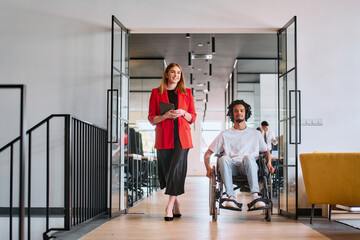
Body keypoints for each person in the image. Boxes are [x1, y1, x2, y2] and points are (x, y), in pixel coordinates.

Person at [204, 100, 275, 210]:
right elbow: (208, 153)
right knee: (223, 158)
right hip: (232, 168)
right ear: (232, 114)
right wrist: (208, 168)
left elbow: (267, 152)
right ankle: (230, 196)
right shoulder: (225, 134)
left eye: (241, 110)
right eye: (236, 111)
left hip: (250, 166)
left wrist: (269, 163)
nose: (239, 113)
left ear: (246, 113)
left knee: (249, 157)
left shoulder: (256, 134)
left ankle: (255, 196)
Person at [148, 63, 196, 221]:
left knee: (176, 169)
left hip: (182, 139)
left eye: (179, 73)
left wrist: (183, 113)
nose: (176, 75)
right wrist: (165, 116)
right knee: (168, 173)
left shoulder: (187, 93)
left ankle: (168, 207)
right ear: (167, 74)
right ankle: (176, 203)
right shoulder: (156, 92)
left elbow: (193, 117)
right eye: (173, 72)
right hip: (164, 138)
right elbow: (152, 118)